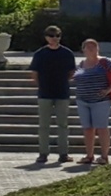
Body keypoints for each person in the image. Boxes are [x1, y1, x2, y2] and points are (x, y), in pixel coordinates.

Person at [28, 23, 77, 167]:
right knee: (44, 125)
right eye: (51, 36)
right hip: (44, 93)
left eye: (57, 36)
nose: (55, 38)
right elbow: (34, 74)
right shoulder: (40, 54)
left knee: (63, 124)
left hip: (62, 92)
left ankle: (63, 153)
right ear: (46, 37)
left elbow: (71, 72)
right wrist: (42, 85)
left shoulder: (67, 53)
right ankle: (43, 153)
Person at [70, 36, 111, 168]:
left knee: (102, 128)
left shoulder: (104, 62)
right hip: (82, 100)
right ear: (83, 49)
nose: (91, 49)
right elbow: (74, 77)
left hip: (100, 101)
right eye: (88, 47)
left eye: (94, 46)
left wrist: (110, 89)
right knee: (87, 129)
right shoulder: (80, 64)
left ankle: (104, 156)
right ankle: (89, 155)